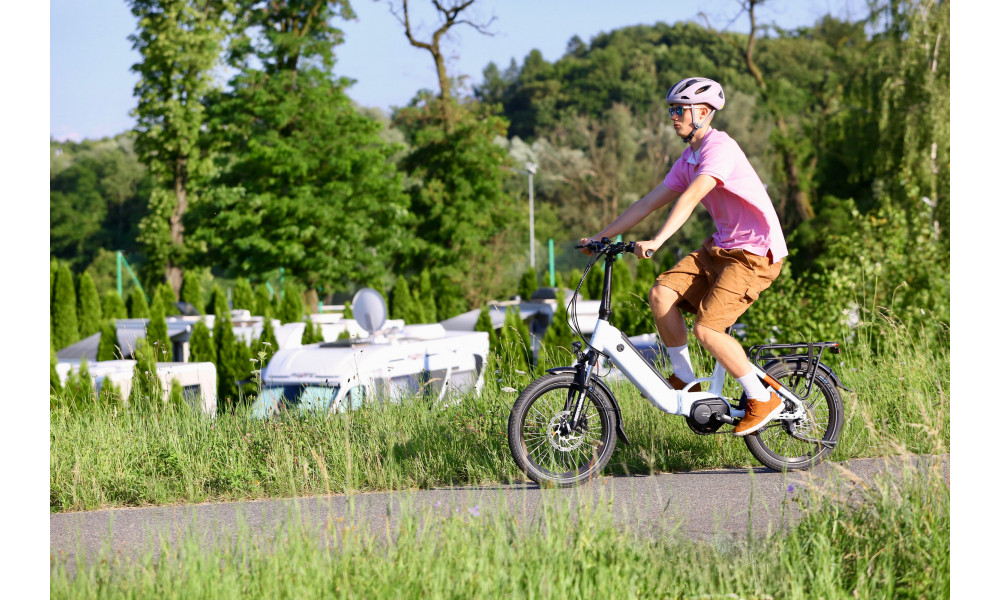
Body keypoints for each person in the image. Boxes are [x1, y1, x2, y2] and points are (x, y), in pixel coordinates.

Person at [579, 77, 788, 436]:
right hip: (721, 247)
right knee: (661, 293)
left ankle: (763, 398)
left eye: (680, 110)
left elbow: (691, 198)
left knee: (707, 330)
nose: (673, 117)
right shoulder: (688, 158)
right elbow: (648, 201)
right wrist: (602, 236)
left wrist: (659, 240)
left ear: (704, 113)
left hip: (755, 253)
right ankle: (686, 380)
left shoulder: (720, 148)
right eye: (671, 110)